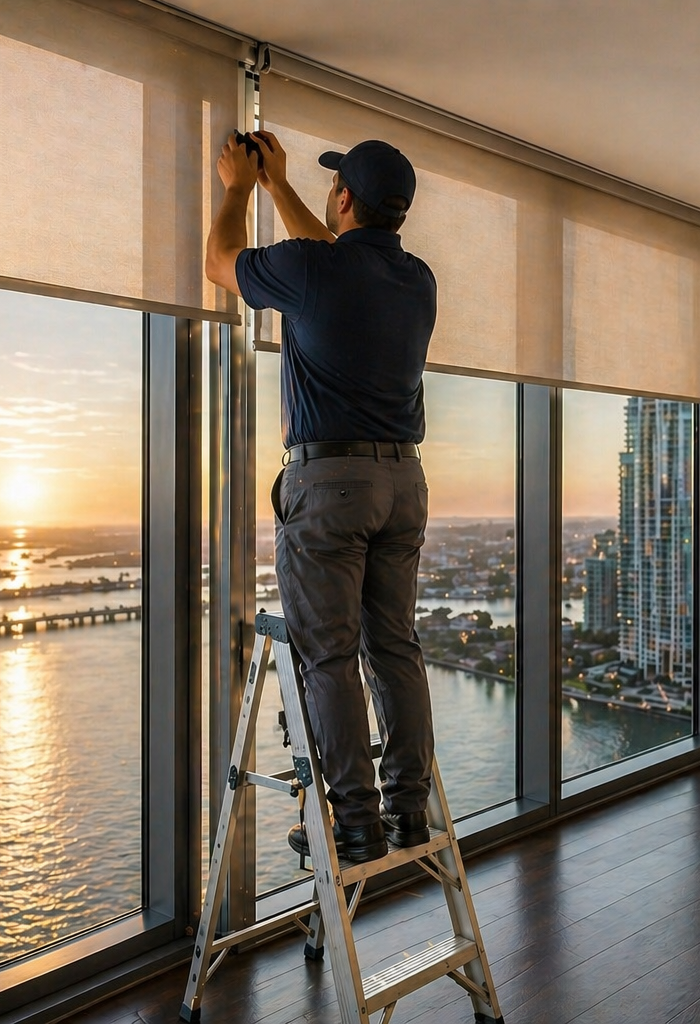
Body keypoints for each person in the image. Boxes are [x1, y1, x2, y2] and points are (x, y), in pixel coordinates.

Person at [205, 130, 437, 863]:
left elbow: (218, 265)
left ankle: (356, 823)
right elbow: (336, 263)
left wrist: (241, 187)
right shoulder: (418, 280)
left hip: (330, 482)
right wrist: (281, 187)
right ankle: (407, 810)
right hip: (404, 481)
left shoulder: (312, 269)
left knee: (328, 657)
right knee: (395, 646)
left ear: (343, 198)